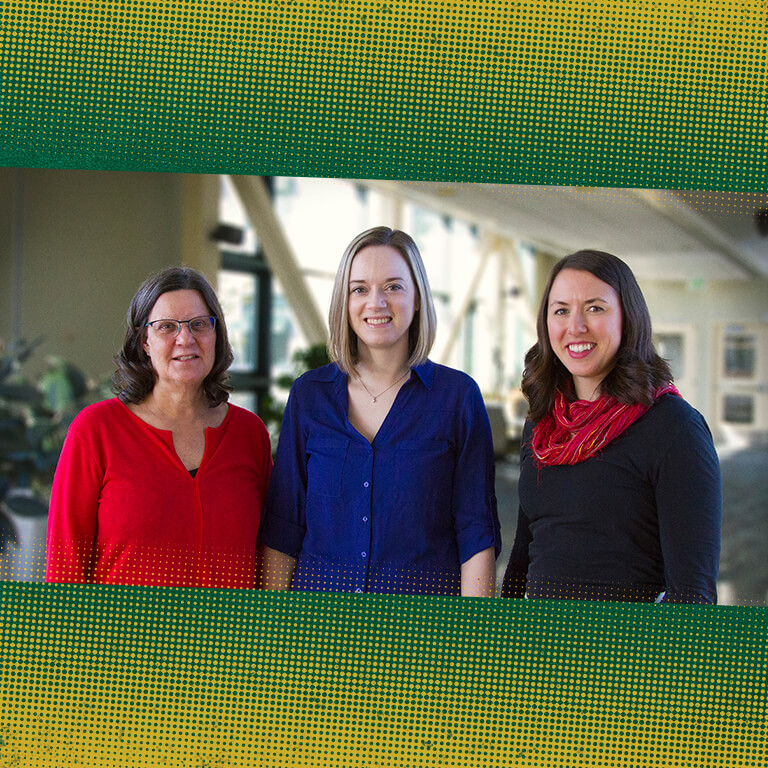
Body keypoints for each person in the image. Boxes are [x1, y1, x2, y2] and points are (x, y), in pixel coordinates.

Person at [259, 226, 500, 596]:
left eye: (393, 286)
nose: (376, 303)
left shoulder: (458, 398)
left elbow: (476, 533)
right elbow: (284, 527)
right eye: (360, 289)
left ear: (417, 298)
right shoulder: (309, 395)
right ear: (345, 300)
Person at [500, 250, 722, 603]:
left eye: (595, 308)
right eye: (561, 311)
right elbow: (527, 550)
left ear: (627, 319)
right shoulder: (543, 425)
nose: (576, 327)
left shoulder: (674, 428)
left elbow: (693, 592)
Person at [46, 266, 272, 588]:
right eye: (167, 327)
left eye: (198, 325)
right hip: (119, 638)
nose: (185, 339)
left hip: (231, 637)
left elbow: (268, 557)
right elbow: (65, 567)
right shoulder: (96, 431)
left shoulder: (250, 435)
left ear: (216, 334)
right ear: (145, 341)